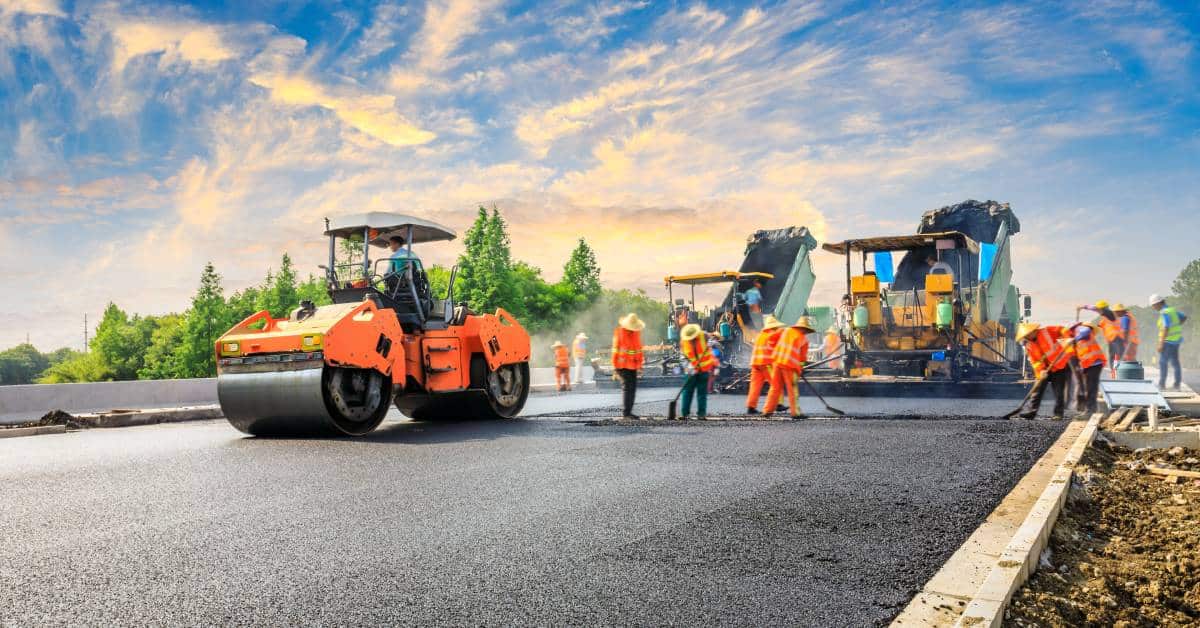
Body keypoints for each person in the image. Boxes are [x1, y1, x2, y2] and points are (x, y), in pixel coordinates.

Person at [1015, 322, 1073, 419]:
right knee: (1037, 389)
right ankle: (1031, 412)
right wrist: (1041, 371)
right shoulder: (1029, 345)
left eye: (1028, 334)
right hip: (1045, 369)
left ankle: (1058, 414)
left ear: (1033, 331)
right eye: (1025, 335)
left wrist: (1068, 338)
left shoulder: (1047, 331)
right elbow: (1035, 362)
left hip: (1059, 365)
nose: (1027, 336)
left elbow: (1062, 329)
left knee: (1058, 391)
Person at [763, 316, 817, 420]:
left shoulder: (785, 331)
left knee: (774, 388)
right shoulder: (804, 340)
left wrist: (774, 352)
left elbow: (770, 339)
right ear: (805, 329)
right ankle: (795, 412)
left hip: (777, 362)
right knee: (792, 389)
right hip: (789, 366)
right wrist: (799, 370)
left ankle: (767, 410)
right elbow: (802, 359)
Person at [746, 315, 786, 414]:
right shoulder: (772, 335)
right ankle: (778, 404)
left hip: (755, 363)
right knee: (776, 383)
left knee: (755, 386)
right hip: (766, 363)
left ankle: (751, 407)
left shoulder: (760, 335)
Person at [678, 324, 718, 419]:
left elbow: (716, 340)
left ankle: (701, 414)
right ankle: (684, 414)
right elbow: (682, 357)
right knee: (687, 392)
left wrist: (712, 342)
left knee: (702, 393)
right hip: (690, 372)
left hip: (704, 371)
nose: (691, 339)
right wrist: (688, 366)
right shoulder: (683, 342)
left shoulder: (704, 336)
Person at [612, 313, 645, 419]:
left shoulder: (636, 333)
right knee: (627, 388)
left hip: (633, 365)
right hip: (622, 365)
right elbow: (615, 350)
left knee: (632, 389)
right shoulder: (619, 332)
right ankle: (626, 413)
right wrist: (615, 367)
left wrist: (639, 366)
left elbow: (638, 350)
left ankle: (629, 412)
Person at [1150, 294, 1186, 391]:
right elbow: (1183, 317)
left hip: (1168, 341)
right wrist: (1178, 326)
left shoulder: (1165, 312)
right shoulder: (1172, 310)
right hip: (1176, 340)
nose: (1153, 307)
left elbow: (1166, 327)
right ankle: (1177, 385)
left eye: (1153, 305)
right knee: (1175, 363)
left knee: (1163, 362)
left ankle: (1162, 385)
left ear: (1158, 303)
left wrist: (1161, 343)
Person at [1080, 300, 1123, 377]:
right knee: (1115, 357)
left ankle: (1116, 374)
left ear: (1103, 308)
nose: (1097, 311)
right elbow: (1103, 324)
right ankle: (1115, 373)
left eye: (1098, 309)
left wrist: (1084, 307)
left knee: (1114, 357)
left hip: (1115, 338)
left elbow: (1094, 308)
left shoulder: (1108, 313)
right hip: (1115, 338)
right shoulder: (1108, 316)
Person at [1073, 324, 1106, 415]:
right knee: (1090, 387)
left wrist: (1075, 338)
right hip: (1089, 364)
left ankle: (1090, 409)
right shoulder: (1078, 339)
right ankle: (1090, 408)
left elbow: (1086, 330)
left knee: (1091, 387)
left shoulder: (1080, 330)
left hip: (1095, 363)